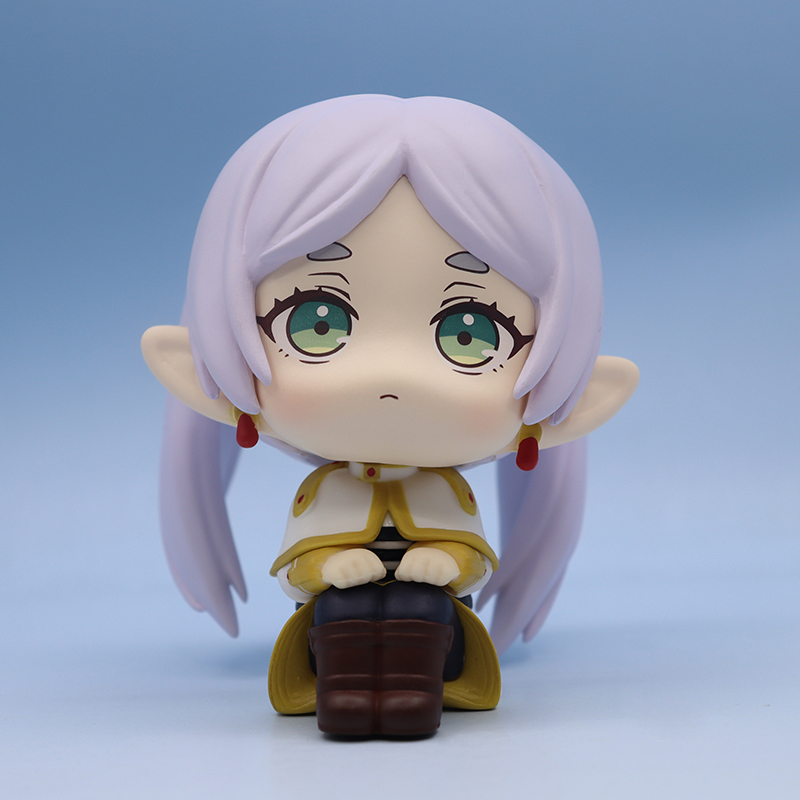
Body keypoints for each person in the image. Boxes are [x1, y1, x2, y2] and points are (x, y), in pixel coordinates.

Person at [141, 95, 639, 737]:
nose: (391, 377)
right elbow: (299, 564)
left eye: (471, 332)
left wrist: (449, 565)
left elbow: (469, 554)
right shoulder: (326, 495)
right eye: (315, 320)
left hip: (430, 629)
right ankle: (344, 696)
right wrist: (325, 570)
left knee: (422, 612)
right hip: (335, 626)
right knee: (335, 617)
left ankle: (413, 695)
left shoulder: (445, 497)